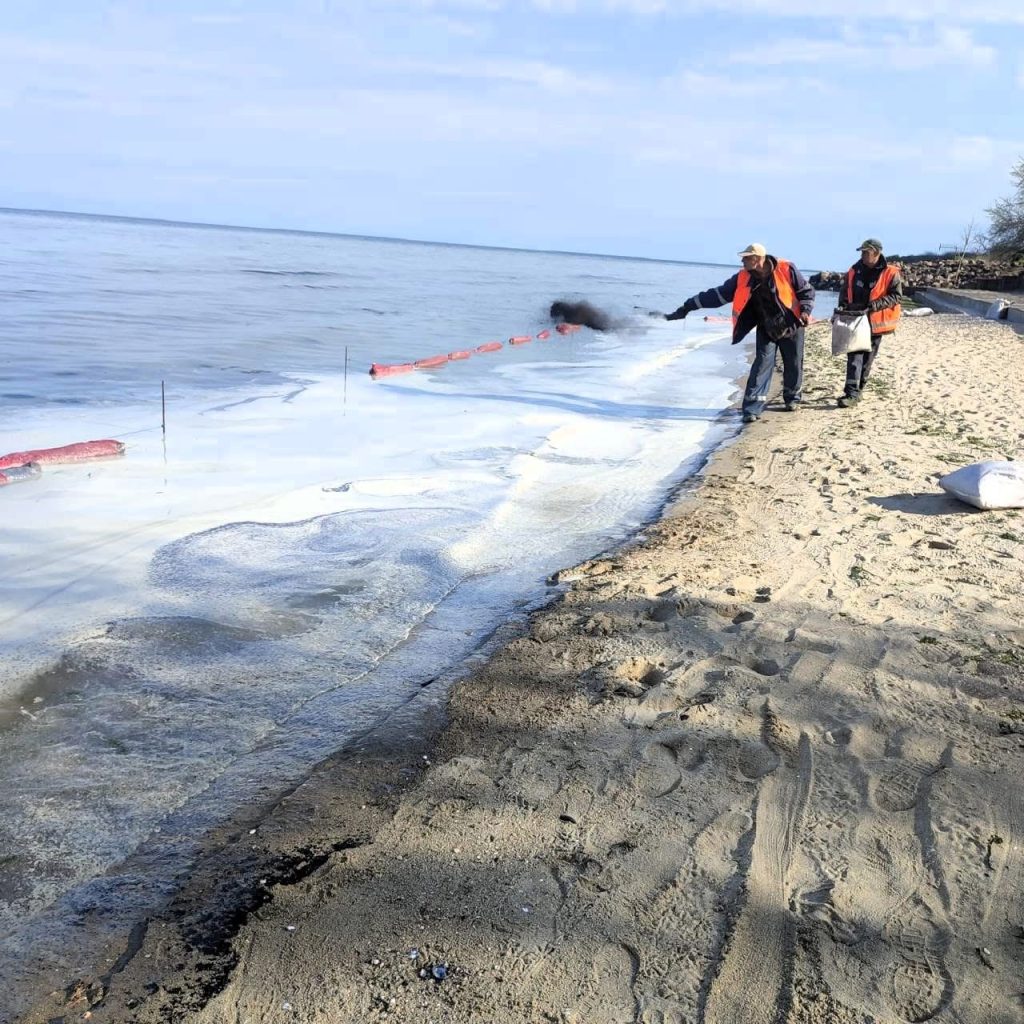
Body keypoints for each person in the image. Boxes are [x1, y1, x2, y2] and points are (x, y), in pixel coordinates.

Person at [662, 243, 815, 423]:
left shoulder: (786, 268)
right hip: (766, 326)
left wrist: (805, 311)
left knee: (794, 362)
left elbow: (806, 291)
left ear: (757, 259)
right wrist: (688, 306)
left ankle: (792, 398)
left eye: (746, 258)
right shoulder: (743, 277)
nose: (742, 261)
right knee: (762, 364)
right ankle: (751, 409)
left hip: (792, 323)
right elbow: (717, 295)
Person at [834, 238, 902, 407]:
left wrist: (875, 305)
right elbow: (845, 291)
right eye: (862, 252)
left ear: (876, 253)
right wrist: (842, 307)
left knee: (867, 360)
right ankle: (851, 393)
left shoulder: (891, 272)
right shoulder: (854, 270)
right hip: (855, 318)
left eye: (866, 252)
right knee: (854, 355)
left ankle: (858, 390)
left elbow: (896, 296)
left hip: (875, 322)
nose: (863, 255)